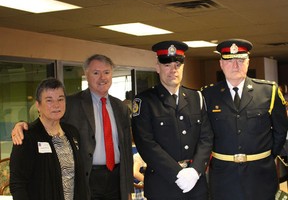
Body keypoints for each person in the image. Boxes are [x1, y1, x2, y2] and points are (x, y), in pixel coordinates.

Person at [11, 54, 134, 200]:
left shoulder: (121, 107)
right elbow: (45, 117)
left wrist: (128, 189)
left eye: (106, 72)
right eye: (96, 73)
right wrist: (22, 125)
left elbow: (126, 149)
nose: (102, 78)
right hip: (87, 180)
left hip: (116, 179)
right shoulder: (71, 103)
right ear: (86, 75)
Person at [201, 39, 288, 200]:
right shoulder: (207, 95)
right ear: (221, 64)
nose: (235, 65)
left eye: (240, 60)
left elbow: (281, 131)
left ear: (248, 62)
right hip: (223, 176)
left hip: (260, 174)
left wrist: (265, 157)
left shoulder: (269, 91)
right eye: (230, 60)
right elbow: (204, 135)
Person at [131, 40, 213, 200]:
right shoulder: (145, 101)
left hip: (196, 184)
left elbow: (206, 138)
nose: (173, 70)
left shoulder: (197, 97)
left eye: (177, 64)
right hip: (163, 185)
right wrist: (177, 173)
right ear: (157, 67)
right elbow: (146, 143)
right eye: (167, 65)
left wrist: (195, 170)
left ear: (183, 66)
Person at [10, 77, 88, 200]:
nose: (56, 105)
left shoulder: (72, 133)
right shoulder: (27, 137)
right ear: (38, 105)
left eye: (60, 99)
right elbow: (17, 184)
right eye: (49, 100)